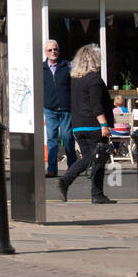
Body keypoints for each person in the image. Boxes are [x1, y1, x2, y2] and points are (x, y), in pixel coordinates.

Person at [57, 43, 115, 204]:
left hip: (78, 124)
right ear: (94, 59)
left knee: (96, 159)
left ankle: (97, 194)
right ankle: (66, 180)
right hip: (93, 124)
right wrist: (104, 125)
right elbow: (96, 105)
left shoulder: (76, 79)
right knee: (94, 158)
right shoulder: (94, 79)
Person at [43, 40, 76, 179]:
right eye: (50, 50)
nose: (53, 52)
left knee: (68, 137)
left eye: (55, 49)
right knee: (52, 139)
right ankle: (52, 168)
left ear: (59, 50)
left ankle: (73, 166)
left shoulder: (67, 66)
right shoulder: (41, 68)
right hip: (50, 108)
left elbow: (73, 86)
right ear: (46, 52)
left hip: (66, 108)